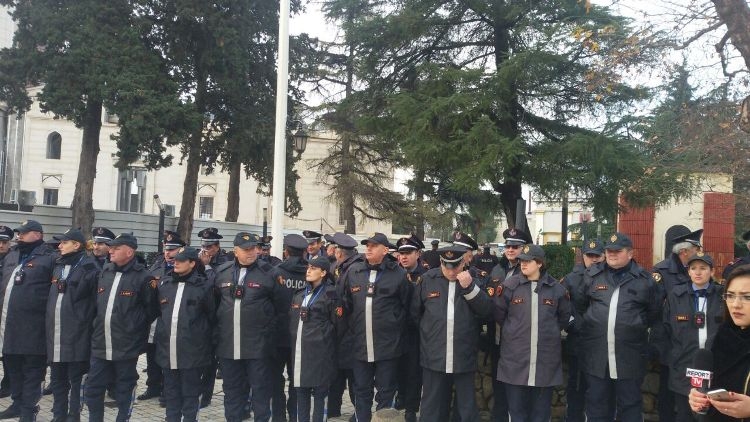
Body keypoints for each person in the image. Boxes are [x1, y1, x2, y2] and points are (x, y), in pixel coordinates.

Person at [574, 232, 662, 422]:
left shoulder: (644, 280)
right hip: (597, 356)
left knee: (630, 406)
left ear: (630, 253)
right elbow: (580, 305)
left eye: (617, 251)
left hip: (629, 356)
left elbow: (654, 313)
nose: (612, 254)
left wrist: (633, 326)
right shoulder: (592, 275)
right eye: (609, 251)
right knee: (597, 406)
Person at [411, 244, 492, 421]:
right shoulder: (427, 280)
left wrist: (470, 287)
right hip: (434, 355)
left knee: (466, 407)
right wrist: (430, 335)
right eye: (446, 265)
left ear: (463, 262)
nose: (450, 271)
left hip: (463, 354)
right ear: (440, 262)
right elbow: (415, 315)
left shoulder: (475, 280)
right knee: (432, 407)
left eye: (455, 265)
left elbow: (487, 311)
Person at [214, 232, 287, 422]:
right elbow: (213, 307)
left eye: (254, 248)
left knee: (261, 394)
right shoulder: (222, 272)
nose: (252, 252)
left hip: (258, 348)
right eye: (246, 249)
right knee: (232, 394)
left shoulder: (270, 273)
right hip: (229, 346)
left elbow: (281, 309)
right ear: (235, 251)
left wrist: (269, 338)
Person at [493, 244, 571, 421]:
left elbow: (563, 318)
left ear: (540, 263)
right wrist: (518, 332)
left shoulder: (556, 289)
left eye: (528, 261)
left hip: (545, 362)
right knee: (516, 412)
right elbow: (500, 315)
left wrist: (545, 333)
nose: (523, 264)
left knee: (541, 413)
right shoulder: (509, 286)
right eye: (522, 261)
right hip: (515, 361)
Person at [86, 233, 158, 422]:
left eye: (116, 248)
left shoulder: (143, 277)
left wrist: (133, 327)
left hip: (126, 345)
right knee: (93, 388)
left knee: (124, 388)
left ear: (129, 251)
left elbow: (152, 310)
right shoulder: (105, 271)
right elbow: (97, 305)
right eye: (111, 247)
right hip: (101, 342)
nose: (111, 251)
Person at [342, 232, 410, 422]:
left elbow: (407, 308)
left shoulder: (398, 274)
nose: (368, 248)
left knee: (386, 393)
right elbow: (345, 305)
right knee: (361, 392)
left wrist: (395, 330)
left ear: (385, 250)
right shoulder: (354, 272)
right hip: (361, 346)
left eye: (374, 245)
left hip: (387, 347)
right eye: (367, 245)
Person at [0, 220, 57, 421]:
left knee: (32, 371)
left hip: (34, 327)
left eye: (24, 233)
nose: (19, 236)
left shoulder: (50, 258)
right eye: (19, 233)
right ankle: (17, 403)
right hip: (9, 325)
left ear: (38, 235)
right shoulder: (13, 255)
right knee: (12, 368)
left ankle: (28, 410)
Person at [154, 247, 215, 422]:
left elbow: (211, 316)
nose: (176, 263)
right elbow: (158, 311)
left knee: (190, 394)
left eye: (181, 261)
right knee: (171, 393)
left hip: (193, 351)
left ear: (192, 263)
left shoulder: (204, 286)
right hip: (168, 350)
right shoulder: (165, 284)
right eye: (175, 260)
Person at [46, 228, 100, 422]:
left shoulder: (90, 269)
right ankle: (58, 415)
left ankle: (73, 415)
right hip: (56, 336)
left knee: (76, 381)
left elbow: (96, 306)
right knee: (57, 380)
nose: (59, 246)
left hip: (77, 337)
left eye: (64, 242)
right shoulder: (58, 266)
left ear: (76, 245)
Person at [663, 252, 723, 421]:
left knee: (714, 415)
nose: (698, 272)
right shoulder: (676, 295)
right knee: (684, 414)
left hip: (716, 368)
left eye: (703, 268)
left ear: (712, 272)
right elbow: (666, 329)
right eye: (693, 268)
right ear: (688, 272)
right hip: (683, 369)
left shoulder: (723, 295)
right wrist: (673, 358)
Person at [652, 229, 703, 422]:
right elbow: (655, 310)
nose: (700, 253)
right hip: (669, 345)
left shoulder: (697, 269)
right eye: (697, 249)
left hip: (691, 345)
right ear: (685, 252)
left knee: (691, 395)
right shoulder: (661, 272)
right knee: (667, 391)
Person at [689, 264, 750, 420]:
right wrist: (697, 398)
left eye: (747, 297)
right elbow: (706, 389)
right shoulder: (719, 338)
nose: (736, 304)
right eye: (730, 295)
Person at [486, 227, 531, 422]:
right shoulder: (497, 269)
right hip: (497, 340)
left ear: (523, 248)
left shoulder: (529, 270)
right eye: (507, 246)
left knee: (519, 392)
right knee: (499, 387)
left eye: (515, 246)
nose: (510, 250)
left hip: (519, 343)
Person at [289, 256, 342, 422]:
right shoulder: (299, 295)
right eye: (308, 268)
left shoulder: (331, 294)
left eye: (314, 268)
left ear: (324, 272)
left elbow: (338, 325)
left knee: (319, 395)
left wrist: (323, 338)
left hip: (321, 354)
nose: (309, 271)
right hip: (299, 353)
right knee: (301, 393)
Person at [561, 239, 605, 422]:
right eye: (590, 256)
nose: (594, 260)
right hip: (578, 343)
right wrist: (577, 326)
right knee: (576, 388)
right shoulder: (570, 279)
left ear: (603, 256)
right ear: (583, 257)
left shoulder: (609, 277)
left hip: (602, 345)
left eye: (597, 256)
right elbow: (563, 309)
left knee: (599, 391)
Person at [139, 230, 186, 402]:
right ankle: (153, 386)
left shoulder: (184, 268)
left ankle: (168, 390)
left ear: (181, 250)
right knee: (152, 354)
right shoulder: (157, 266)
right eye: (166, 249)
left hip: (172, 319)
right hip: (154, 319)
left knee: (167, 357)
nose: (168, 253)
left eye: (172, 249)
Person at [270, 234, 309, 422]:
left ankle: (278, 416)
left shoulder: (275, 272)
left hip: (278, 336)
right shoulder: (311, 273)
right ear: (304, 252)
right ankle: (295, 414)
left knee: (276, 379)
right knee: (298, 380)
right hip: (302, 336)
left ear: (286, 251)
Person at [325, 232, 362, 419]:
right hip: (339, 334)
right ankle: (333, 414)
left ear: (339, 252)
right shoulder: (339, 267)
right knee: (335, 381)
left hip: (350, 334)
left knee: (354, 382)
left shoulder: (353, 270)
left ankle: (357, 415)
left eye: (334, 248)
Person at [395, 233, 427, 422]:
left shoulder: (426, 276)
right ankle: (399, 401)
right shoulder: (393, 274)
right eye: (401, 253)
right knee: (396, 370)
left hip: (416, 334)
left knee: (414, 372)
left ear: (418, 254)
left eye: (408, 252)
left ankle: (411, 408)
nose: (404, 257)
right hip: (395, 332)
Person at [0, 225, 14, 400]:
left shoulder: (14, 259)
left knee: (7, 351)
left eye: (4, 242)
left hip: (6, 311)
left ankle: (8, 383)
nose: (1, 245)